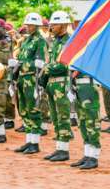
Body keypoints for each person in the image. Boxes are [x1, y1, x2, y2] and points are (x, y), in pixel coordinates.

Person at [12, 12, 48, 154]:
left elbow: (41, 63)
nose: (28, 26)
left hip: (33, 79)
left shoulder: (40, 41)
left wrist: (22, 64)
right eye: (27, 24)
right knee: (24, 110)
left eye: (31, 25)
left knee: (34, 111)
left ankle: (35, 143)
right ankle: (29, 141)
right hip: (22, 78)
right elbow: (22, 56)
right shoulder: (26, 40)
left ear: (37, 26)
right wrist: (16, 63)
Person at [41, 11, 74, 161]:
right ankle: (59, 148)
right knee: (54, 117)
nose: (51, 27)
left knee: (63, 117)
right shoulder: (55, 42)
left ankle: (64, 150)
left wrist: (47, 69)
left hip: (62, 83)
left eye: (55, 24)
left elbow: (66, 65)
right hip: (52, 84)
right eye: (51, 24)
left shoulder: (69, 42)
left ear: (64, 25)